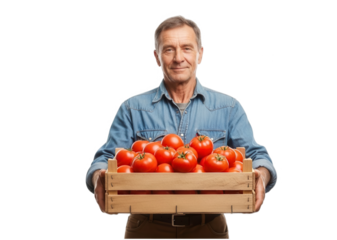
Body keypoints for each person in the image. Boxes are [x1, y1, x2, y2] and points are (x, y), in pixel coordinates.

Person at [84, 14, 278, 239]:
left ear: (200, 54)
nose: (178, 58)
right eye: (169, 49)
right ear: (156, 57)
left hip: (209, 226)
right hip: (146, 226)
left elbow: (256, 154)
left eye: (186, 48)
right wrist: (99, 176)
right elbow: (106, 156)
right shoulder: (132, 108)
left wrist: (261, 176)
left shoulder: (229, 107)